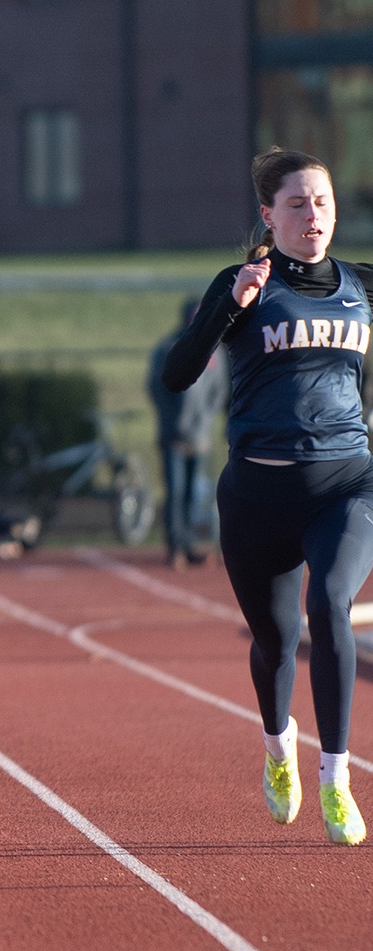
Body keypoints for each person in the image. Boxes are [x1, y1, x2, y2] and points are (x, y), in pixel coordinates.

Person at [163, 148, 373, 846]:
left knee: (330, 605)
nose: (312, 214)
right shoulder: (244, 283)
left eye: (321, 202)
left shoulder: (365, 287)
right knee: (276, 642)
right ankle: (280, 748)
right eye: (296, 203)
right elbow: (177, 374)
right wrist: (230, 306)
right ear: (268, 215)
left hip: (346, 485)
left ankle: (336, 779)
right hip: (257, 494)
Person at [148, 297, 226, 570]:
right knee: (176, 492)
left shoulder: (215, 351)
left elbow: (219, 391)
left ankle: (191, 545)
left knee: (194, 493)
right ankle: (175, 547)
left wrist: (205, 420)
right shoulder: (169, 347)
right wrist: (173, 421)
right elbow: (157, 388)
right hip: (172, 435)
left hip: (200, 434)